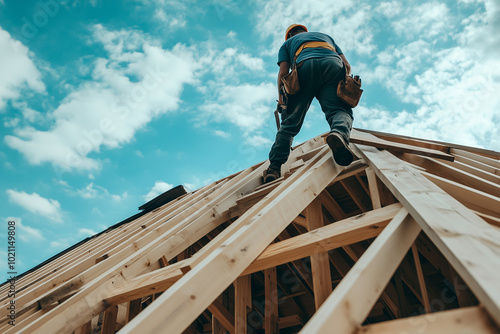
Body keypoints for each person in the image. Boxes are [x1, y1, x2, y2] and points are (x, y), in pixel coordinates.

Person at [263, 24, 355, 183]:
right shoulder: (326, 37)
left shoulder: (286, 44)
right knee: (339, 111)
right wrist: (343, 83)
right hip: (333, 65)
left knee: (290, 123)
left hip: (304, 67)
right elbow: (347, 65)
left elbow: (284, 72)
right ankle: (339, 134)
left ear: (290, 35)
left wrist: (282, 98)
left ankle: (274, 168)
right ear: (305, 32)